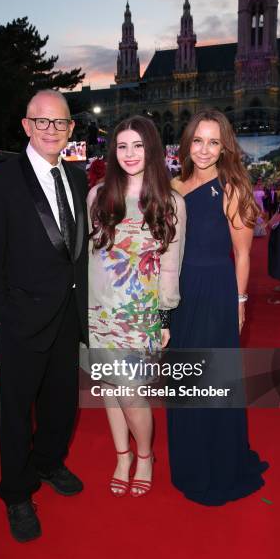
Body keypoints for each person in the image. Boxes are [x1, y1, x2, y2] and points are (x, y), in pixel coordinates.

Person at [0, 90, 88, 542]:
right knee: (17, 412)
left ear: (71, 129)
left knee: (62, 404)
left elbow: (76, 252)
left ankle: (49, 462)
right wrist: (3, 315)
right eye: (42, 122)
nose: (51, 130)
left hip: (68, 317)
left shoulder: (77, 179)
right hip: (22, 319)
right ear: (26, 126)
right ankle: (17, 493)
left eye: (60, 123)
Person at [167, 108, 268, 506]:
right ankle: (189, 462)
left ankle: (217, 465)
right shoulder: (173, 184)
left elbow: (242, 255)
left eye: (214, 141)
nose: (205, 149)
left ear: (224, 146)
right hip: (177, 291)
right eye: (198, 140)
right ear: (187, 143)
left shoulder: (232, 188)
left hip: (215, 292)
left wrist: (240, 302)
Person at [88, 115, 185, 497]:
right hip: (98, 310)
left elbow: (171, 264)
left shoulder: (170, 200)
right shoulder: (98, 195)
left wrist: (164, 315)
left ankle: (145, 456)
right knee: (109, 388)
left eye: (138, 146)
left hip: (139, 315)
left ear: (153, 150)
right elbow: (90, 256)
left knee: (132, 393)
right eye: (122, 146)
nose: (129, 154)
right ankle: (122, 455)